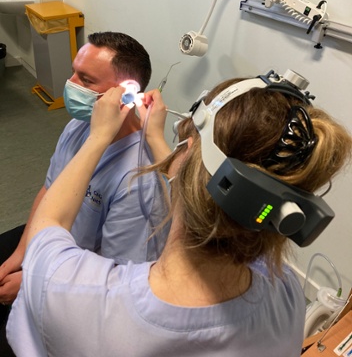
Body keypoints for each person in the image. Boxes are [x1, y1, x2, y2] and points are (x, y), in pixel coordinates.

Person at [7, 72, 352, 356]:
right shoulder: (285, 291)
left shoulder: (79, 293)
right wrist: (157, 138)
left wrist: (99, 137)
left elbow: (46, 227)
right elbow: (207, 188)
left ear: (186, 153)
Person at [0, 32, 168, 355]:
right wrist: (21, 256)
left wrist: (34, 280)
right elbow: (49, 189)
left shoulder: (139, 181)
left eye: (86, 80)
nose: (71, 83)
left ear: (127, 93)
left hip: (85, 286)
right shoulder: (81, 124)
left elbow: (114, 279)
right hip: (52, 241)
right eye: (75, 72)